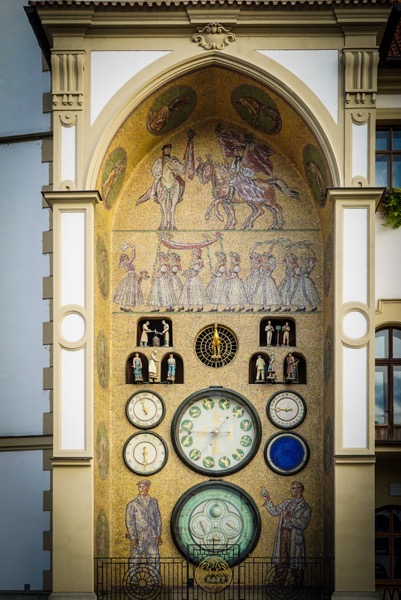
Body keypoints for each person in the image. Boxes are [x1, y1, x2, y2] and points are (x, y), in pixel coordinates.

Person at [261, 481, 311, 585]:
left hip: (294, 536)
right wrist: (268, 499)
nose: (291, 490)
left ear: (299, 490)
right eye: (292, 488)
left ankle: (298, 584)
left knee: (295, 561)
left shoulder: (306, 508)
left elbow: (303, 524)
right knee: (281, 558)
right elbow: (275, 511)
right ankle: (278, 582)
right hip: (283, 533)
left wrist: (291, 519)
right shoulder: (287, 503)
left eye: (293, 488)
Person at [126, 480, 162, 573]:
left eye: (143, 486)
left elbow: (157, 518)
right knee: (134, 562)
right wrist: (134, 537)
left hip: (152, 537)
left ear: (148, 487)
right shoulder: (132, 504)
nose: (141, 489)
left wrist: (158, 534)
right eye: (140, 487)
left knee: (154, 562)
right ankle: (132, 583)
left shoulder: (154, 502)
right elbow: (130, 522)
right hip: (139, 539)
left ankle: (155, 583)